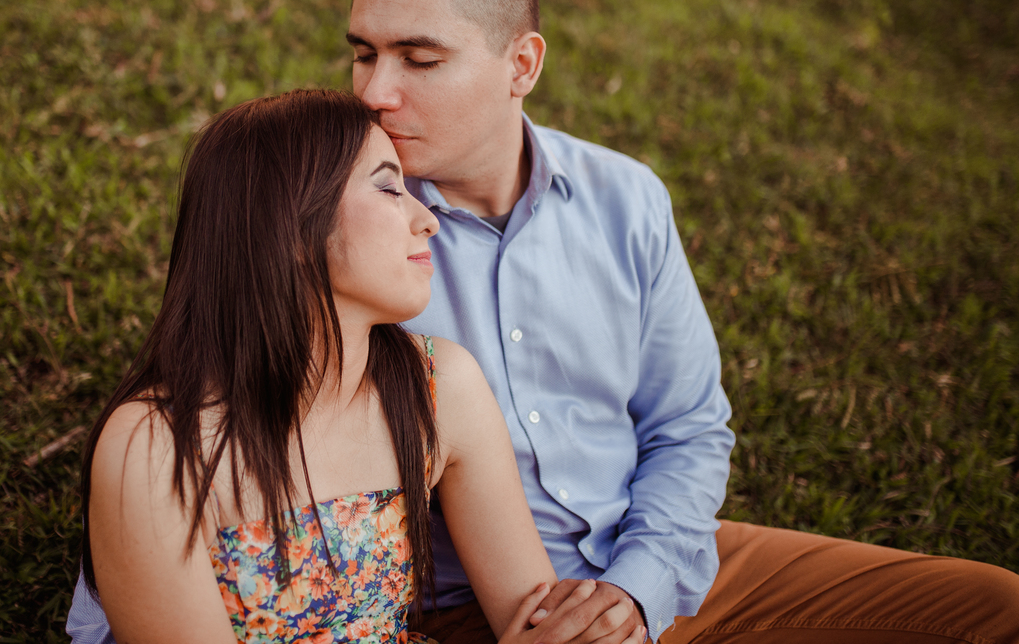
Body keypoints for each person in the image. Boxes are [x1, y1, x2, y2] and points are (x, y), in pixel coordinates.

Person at [70, 0, 1019, 643]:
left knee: (994, 608)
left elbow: (689, 426)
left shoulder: (624, 199)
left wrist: (639, 587)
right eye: (363, 52)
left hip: (646, 569)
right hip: (469, 608)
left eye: (419, 57)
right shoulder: (341, 226)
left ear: (521, 64)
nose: (373, 90)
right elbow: (228, 390)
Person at [71, 89, 643, 644]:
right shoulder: (154, 448)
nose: (428, 221)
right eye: (391, 188)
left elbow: (536, 618)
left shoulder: (440, 386)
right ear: (292, 225)